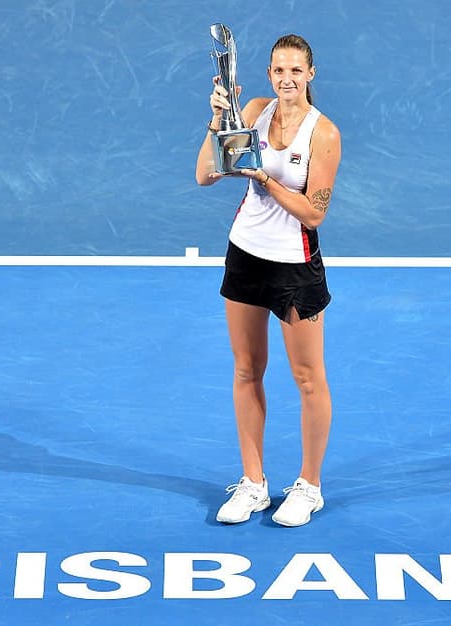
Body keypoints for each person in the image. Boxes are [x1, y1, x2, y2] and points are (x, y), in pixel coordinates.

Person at [195, 33, 342, 527]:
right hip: (245, 255)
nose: (287, 80)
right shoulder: (254, 111)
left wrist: (264, 178)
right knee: (245, 370)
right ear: (269, 75)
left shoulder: (324, 135)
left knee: (306, 378)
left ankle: (308, 486)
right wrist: (219, 120)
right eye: (279, 71)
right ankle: (254, 484)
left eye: (296, 71)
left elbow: (312, 215)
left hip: (294, 267)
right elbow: (204, 175)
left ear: (311, 75)